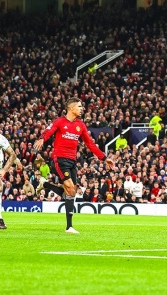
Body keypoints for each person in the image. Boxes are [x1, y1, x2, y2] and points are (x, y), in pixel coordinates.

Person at [33, 97, 114, 234]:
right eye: (80, 106)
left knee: (71, 192)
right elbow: (49, 130)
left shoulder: (80, 125)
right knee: (70, 188)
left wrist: (104, 158)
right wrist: (42, 138)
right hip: (59, 159)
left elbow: (90, 143)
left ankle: (46, 184)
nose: (82, 108)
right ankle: (69, 227)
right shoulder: (60, 122)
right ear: (71, 108)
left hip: (72, 161)